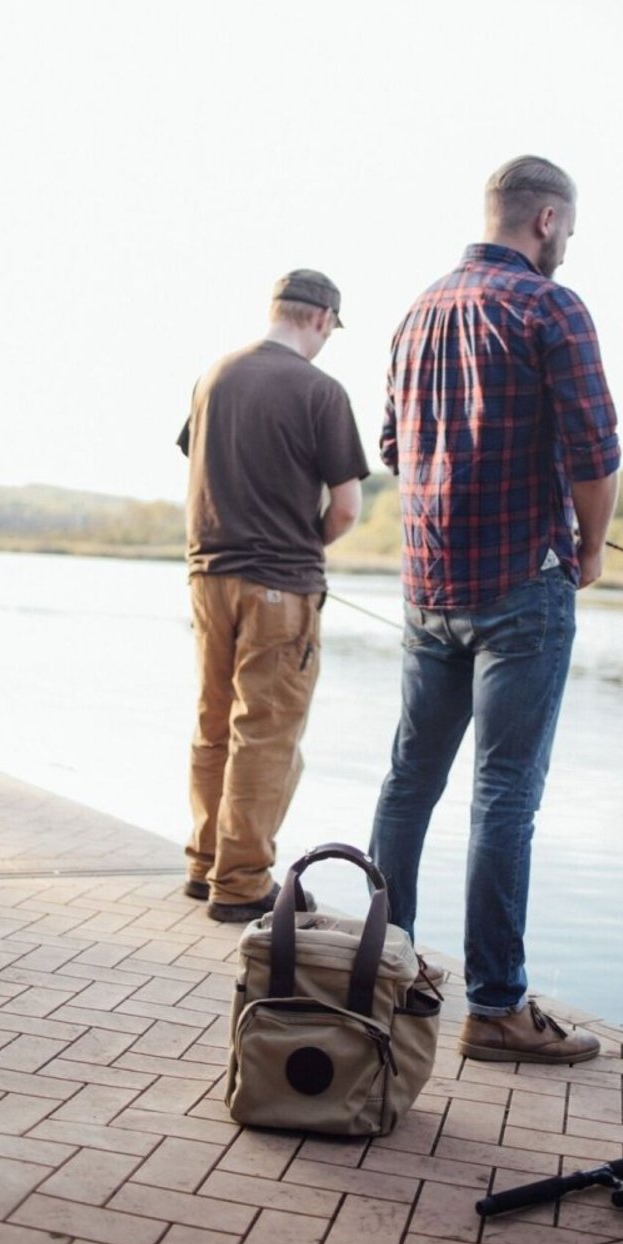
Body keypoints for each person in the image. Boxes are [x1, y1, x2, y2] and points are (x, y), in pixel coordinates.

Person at [370, 155, 620, 1063]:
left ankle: (382, 974)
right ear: (547, 220)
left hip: (428, 587)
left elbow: (396, 447)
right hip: (522, 585)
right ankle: (498, 1008)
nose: (567, 245)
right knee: (503, 797)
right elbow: (595, 452)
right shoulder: (552, 307)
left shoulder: (418, 308)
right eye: (570, 230)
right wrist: (588, 548)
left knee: (409, 783)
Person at [177, 270, 368, 923]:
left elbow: (203, 463)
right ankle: (243, 883)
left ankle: (206, 865)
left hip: (208, 575)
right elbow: (346, 508)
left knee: (214, 720)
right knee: (266, 733)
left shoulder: (215, 378)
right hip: (281, 585)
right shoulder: (320, 391)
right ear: (320, 319)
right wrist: (303, 541)